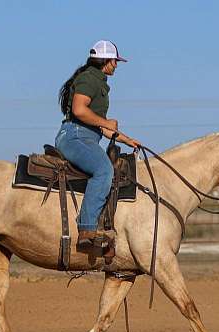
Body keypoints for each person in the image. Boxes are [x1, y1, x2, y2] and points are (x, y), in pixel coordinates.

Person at [56, 40, 141, 255]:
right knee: (104, 170)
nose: (116, 65)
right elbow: (79, 110)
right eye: (115, 61)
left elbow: (100, 125)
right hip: (75, 137)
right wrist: (106, 123)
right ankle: (86, 230)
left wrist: (129, 140)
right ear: (106, 61)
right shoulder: (89, 79)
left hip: (86, 137)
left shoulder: (98, 82)